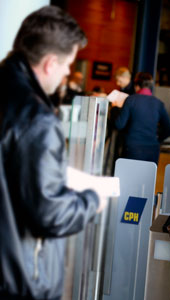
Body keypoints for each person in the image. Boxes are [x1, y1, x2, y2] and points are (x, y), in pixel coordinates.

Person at [0, 6, 108, 299]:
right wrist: (91, 200)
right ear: (50, 63)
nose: (67, 73)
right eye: (67, 64)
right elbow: (49, 214)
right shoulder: (38, 119)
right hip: (19, 280)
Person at [113, 72, 170, 164]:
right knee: (148, 178)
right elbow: (168, 129)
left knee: (129, 177)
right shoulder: (158, 103)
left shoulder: (131, 100)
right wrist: (156, 140)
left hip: (132, 148)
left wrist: (115, 109)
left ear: (136, 85)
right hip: (152, 150)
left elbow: (119, 125)